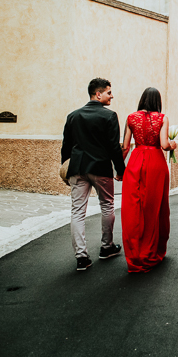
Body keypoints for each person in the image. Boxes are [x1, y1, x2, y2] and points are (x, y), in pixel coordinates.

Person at [61, 78, 125, 271]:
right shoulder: (109, 116)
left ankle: (81, 258)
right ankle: (106, 247)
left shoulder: (73, 116)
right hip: (100, 168)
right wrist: (120, 170)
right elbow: (114, 147)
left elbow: (66, 146)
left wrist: (65, 169)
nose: (112, 96)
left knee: (77, 212)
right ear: (98, 94)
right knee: (107, 205)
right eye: (108, 92)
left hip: (78, 169)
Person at [121, 87, 176, 273]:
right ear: (157, 101)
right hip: (156, 164)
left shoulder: (131, 118)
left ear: (142, 99)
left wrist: (119, 170)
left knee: (133, 208)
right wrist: (173, 144)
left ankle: (135, 253)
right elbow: (164, 145)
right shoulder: (162, 118)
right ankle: (151, 251)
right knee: (154, 208)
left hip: (136, 162)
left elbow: (125, 147)